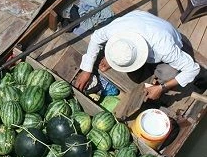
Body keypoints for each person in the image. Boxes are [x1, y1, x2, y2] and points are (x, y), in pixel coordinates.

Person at [73, 10, 202, 101]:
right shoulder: (115, 29)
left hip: (167, 36)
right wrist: (86, 69)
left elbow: (193, 69)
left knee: (167, 74)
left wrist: (162, 88)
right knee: (135, 75)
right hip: (139, 21)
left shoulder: (164, 48)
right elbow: (96, 38)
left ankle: (157, 81)